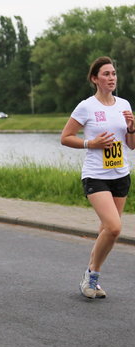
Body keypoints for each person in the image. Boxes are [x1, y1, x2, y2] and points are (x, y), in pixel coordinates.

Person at [61, 56, 134, 299]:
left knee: (106, 228)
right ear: (95, 79)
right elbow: (66, 137)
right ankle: (92, 274)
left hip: (120, 174)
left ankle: (91, 278)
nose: (111, 78)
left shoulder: (124, 104)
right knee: (114, 227)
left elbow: (131, 146)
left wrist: (132, 128)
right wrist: (90, 143)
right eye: (106, 74)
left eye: (113, 73)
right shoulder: (86, 106)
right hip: (95, 176)